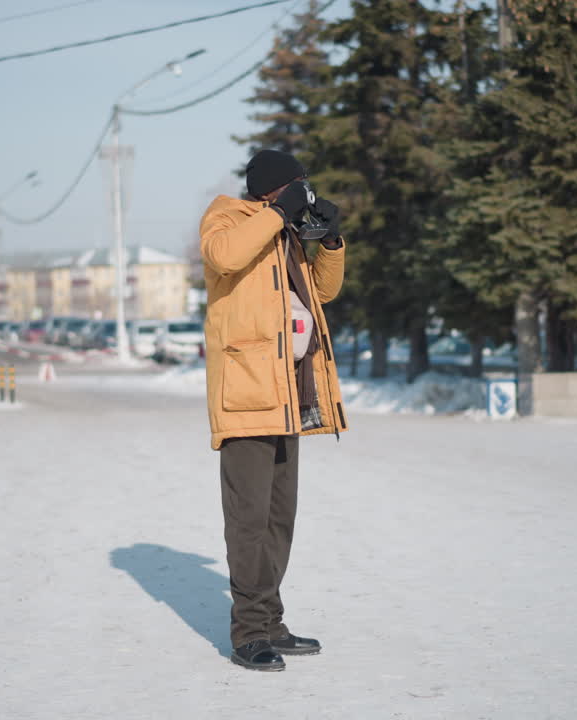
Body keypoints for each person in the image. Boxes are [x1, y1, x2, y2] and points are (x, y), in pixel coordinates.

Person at [198, 149, 350, 671]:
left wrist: (329, 240)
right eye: (295, 187)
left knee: (279, 519)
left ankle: (272, 623)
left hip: (289, 395)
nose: (302, 195)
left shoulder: (283, 234)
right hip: (246, 395)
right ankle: (248, 634)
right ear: (271, 189)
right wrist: (278, 214)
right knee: (249, 522)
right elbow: (225, 257)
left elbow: (324, 292)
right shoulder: (226, 218)